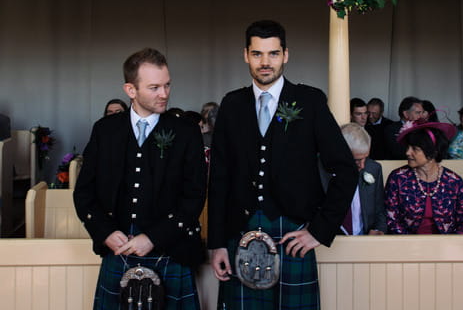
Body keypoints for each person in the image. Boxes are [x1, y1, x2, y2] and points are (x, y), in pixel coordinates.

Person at [208, 20, 358, 309]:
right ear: (245, 55)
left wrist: (319, 229)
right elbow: (219, 179)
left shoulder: (310, 101)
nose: (265, 62)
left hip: (292, 235)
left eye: (273, 54)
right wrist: (216, 243)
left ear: (285, 55)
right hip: (240, 231)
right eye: (257, 54)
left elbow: (345, 169)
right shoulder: (232, 104)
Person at [73, 48, 207, 310]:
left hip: (171, 249)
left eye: (167, 85)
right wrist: (105, 232)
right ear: (130, 90)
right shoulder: (105, 130)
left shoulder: (186, 130)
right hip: (118, 250)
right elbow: (84, 193)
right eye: (154, 87)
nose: (165, 94)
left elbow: (194, 195)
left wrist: (154, 237)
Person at [385, 120, 463, 234]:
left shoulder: (454, 181)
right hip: (406, 245)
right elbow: (391, 220)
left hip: (446, 246)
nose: (407, 152)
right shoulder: (397, 178)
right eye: (408, 147)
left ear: (433, 152)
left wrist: (449, 245)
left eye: (415, 149)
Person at [322, 123, 386, 235]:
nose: (362, 166)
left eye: (365, 158)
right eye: (356, 160)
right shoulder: (320, 171)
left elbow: (379, 209)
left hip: (364, 241)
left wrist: (378, 229)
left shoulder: (373, 168)